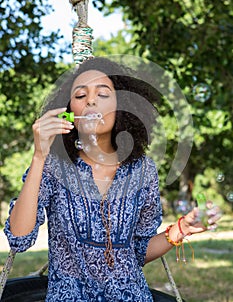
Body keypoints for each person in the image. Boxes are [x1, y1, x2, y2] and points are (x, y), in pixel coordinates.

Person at [4, 57, 221, 302]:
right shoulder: (54, 166)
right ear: (69, 111)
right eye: (80, 95)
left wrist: (181, 229)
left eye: (103, 94)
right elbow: (19, 238)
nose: (91, 100)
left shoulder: (142, 170)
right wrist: (39, 155)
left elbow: (138, 251)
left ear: (122, 106)